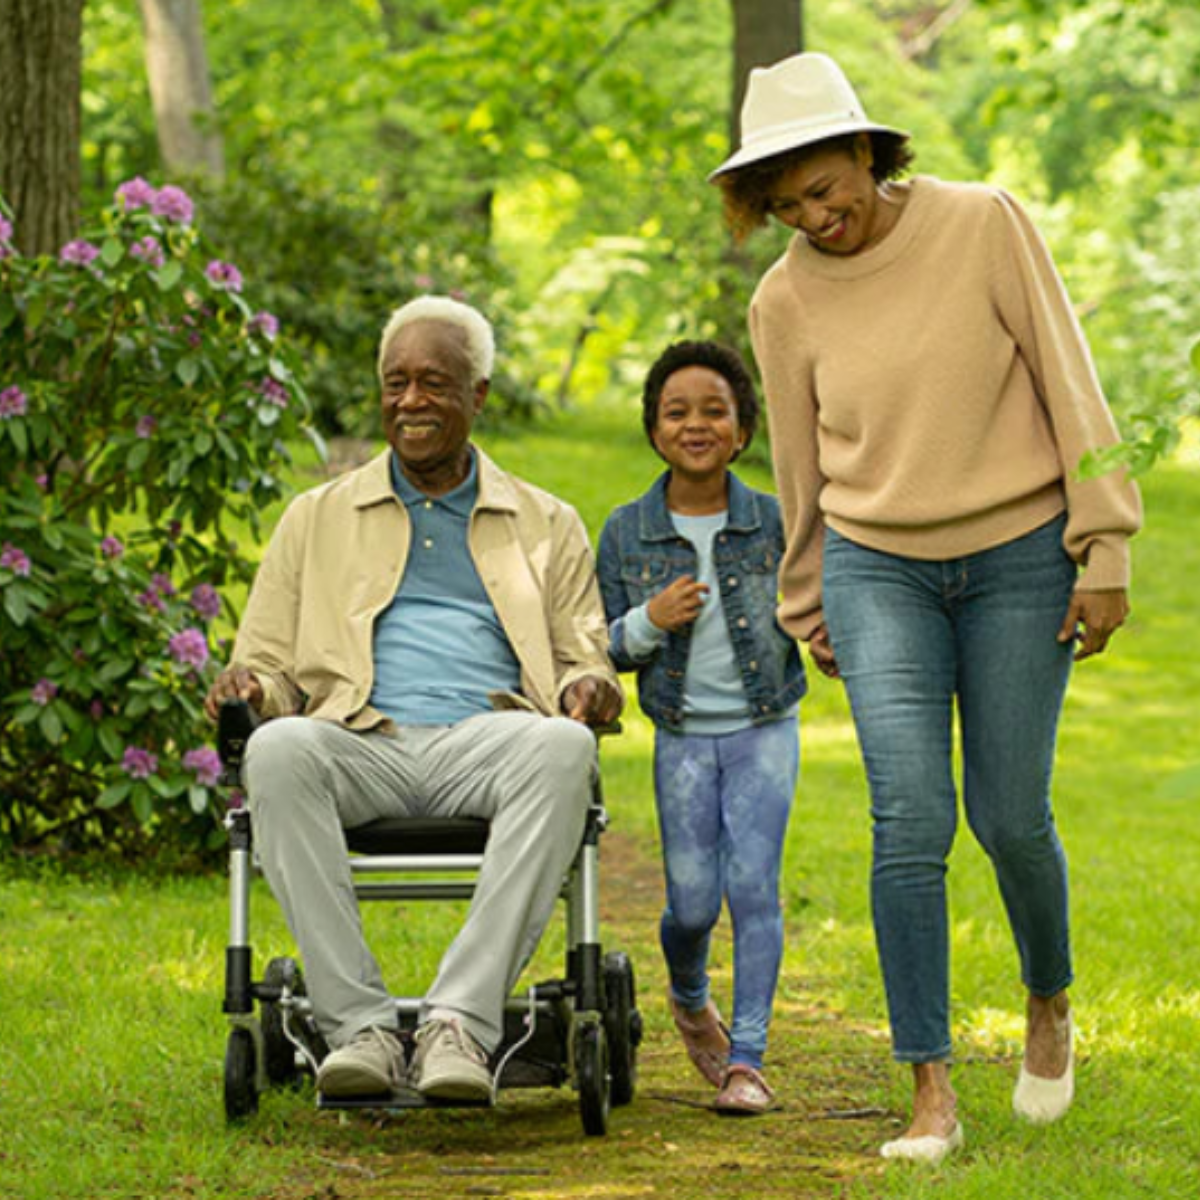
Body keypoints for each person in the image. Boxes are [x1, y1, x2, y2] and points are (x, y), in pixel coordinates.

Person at [708, 53, 1142, 1160]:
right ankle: (931, 1092)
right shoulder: (784, 299)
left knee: (1008, 816)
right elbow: (802, 467)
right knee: (909, 820)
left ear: (868, 150)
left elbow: (1069, 378)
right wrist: (805, 596)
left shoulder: (983, 223)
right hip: (875, 569)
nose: (819, 216)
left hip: (1020, 558)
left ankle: (1049, 999)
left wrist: (1104, 543)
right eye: (789, 204)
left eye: (827, 185)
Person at [204, 295, 623, 1104]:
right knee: (276, 747)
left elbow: (582, 655)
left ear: (481, 395)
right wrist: (251, 684)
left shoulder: (547, 521)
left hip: (490, 741)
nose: (409, 401)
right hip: (357, 739)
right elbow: (266, 662)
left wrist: (589, 688)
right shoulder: (314, 518)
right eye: (395, 383)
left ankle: (459, 1026)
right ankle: (357, 1028)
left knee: (564, 747)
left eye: (434, 382)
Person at [597, 341, 805, 1115]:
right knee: (691, 904)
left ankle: (747, 1058)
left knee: (753, 888)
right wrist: (648, 622)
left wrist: (825, 635)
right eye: (676, 411)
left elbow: (815, 609)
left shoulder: (775, 523)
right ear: (654, 429)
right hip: (681, 736)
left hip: (764, 728)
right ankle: (690, 996)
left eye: (715, 410)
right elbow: (597, 651)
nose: (696, 424)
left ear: (742, 429)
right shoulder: (627, 532)